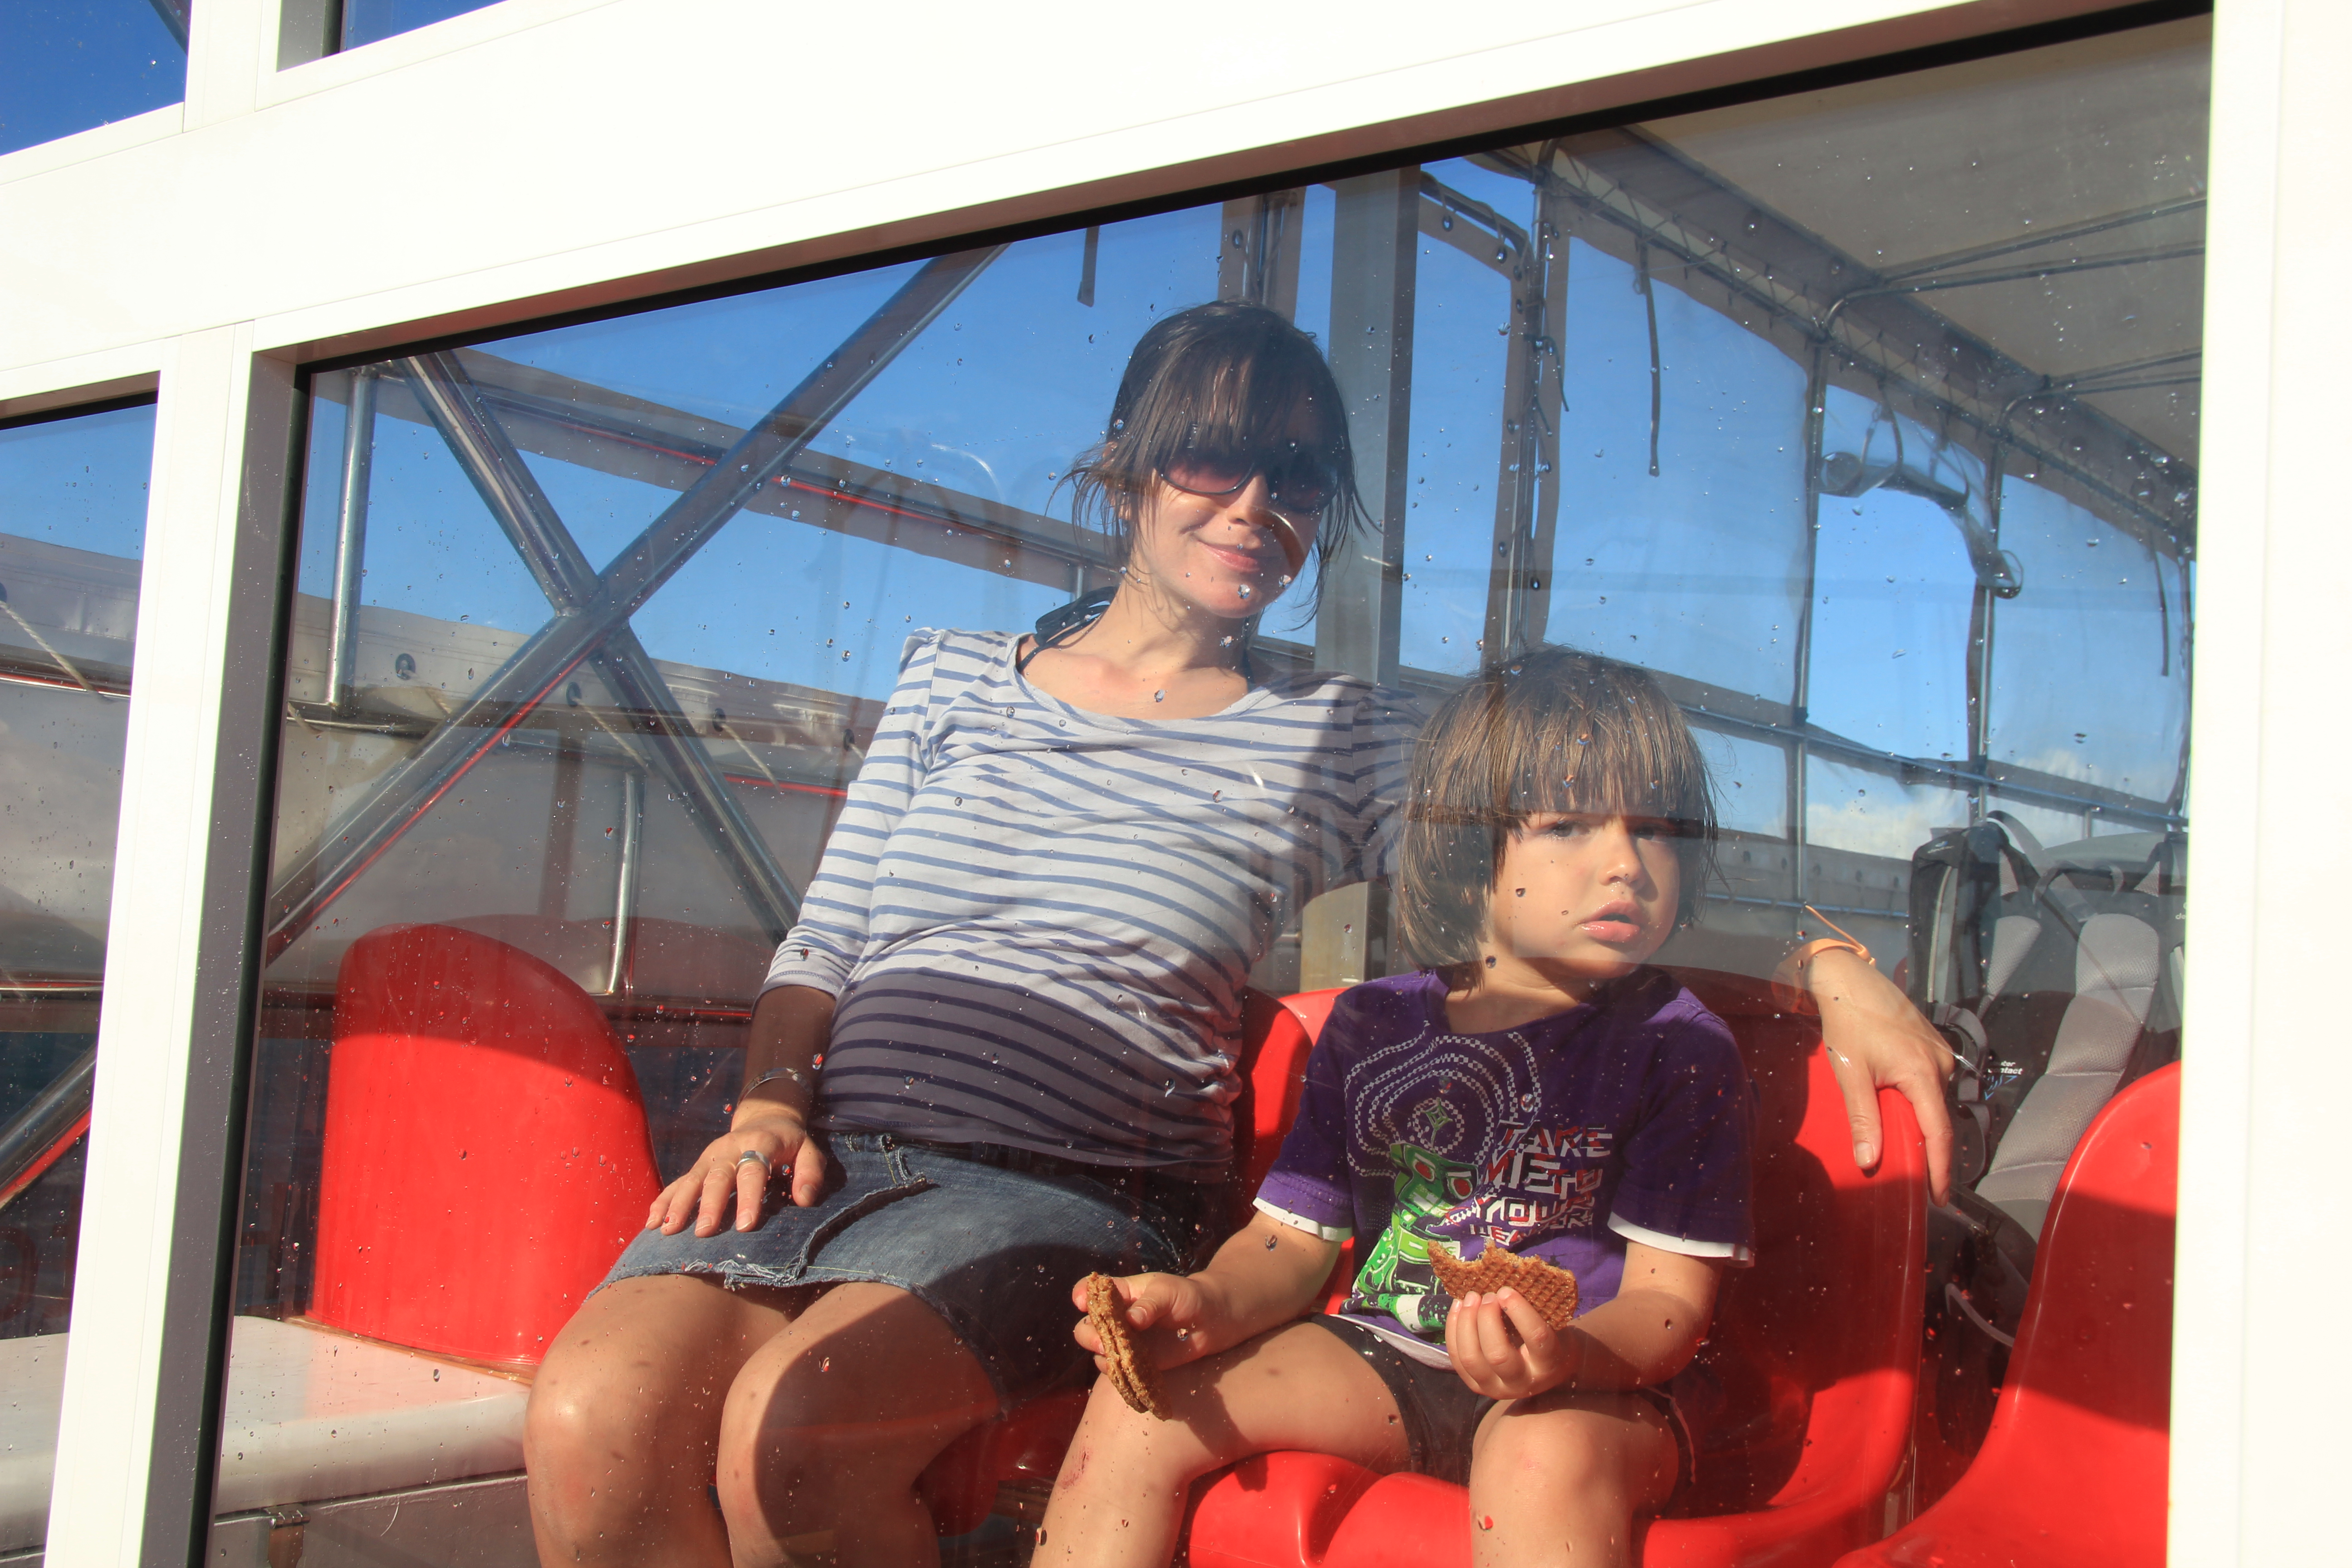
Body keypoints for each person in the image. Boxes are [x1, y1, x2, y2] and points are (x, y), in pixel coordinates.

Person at [523, 304, 1954, 1568]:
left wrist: (1831, 966)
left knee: (794, 1445)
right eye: (1216, 459)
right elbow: (825, 941)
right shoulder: (951, 679)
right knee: (591, 1424)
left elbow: (1574, 850)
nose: (1257, 504)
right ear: (1127, 467)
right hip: (832, 1150)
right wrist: (768, 1107)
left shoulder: (1336, 733)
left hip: (1070, 1183)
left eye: (1300, 477)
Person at [1039, 648, 1749, 1568]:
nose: (1625, 864)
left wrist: (1565, 1358)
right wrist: (1207, 1304)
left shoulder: (1679, 1047)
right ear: (1466, 852)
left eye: (1655, 830)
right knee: (1140, 1409)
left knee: (1537, 1456)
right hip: (1391, 1355)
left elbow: (1667, 1306)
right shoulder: (1373, 1024)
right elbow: (1291, 1244)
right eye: (1570, 826)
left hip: (1598, 1391)